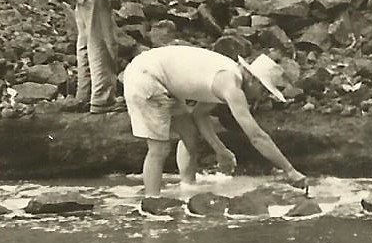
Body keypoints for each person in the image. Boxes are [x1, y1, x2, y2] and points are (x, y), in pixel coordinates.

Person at [122, 44, 307, 212]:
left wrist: (220, 150)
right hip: (146, 77)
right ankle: (151, 204)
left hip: (162, 79)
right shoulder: (230, 86)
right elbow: (257, 136)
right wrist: (290, 170)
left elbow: (199, 115)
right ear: (252, 79)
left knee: (190, 136)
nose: (263, 97)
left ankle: (187, 189)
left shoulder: (225, 77)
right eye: (264, 90)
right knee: (159, 149)